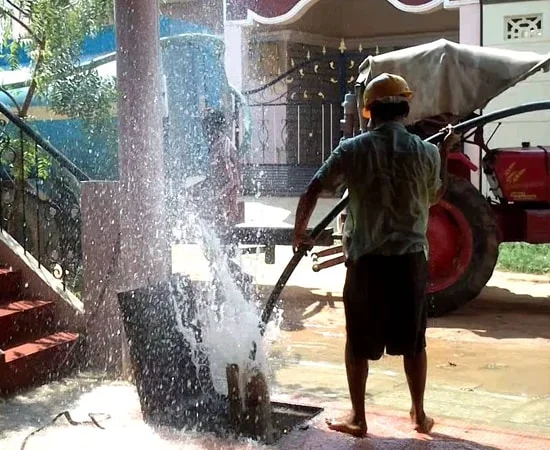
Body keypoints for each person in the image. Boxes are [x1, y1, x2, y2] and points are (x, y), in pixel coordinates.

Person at [292, 73, 460, 438]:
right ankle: (419, 413)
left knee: (358, 343)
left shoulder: (352, 150)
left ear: (368, 112)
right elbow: (434, 196)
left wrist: (300, 234)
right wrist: (444, 153)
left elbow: (312, 190)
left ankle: (358, 417)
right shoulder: (426, 152)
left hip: (366, 263)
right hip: (410, 262)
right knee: (414, 342)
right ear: (405, 109)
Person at [200, 107, 243, 238]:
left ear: (214, 128)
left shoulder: (223, 149)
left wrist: (217, 198)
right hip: (221, 206)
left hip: (227, 208)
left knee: (224, 244)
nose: (205, 132)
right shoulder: (216, 145)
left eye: (207, 127)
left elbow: (233, 181)